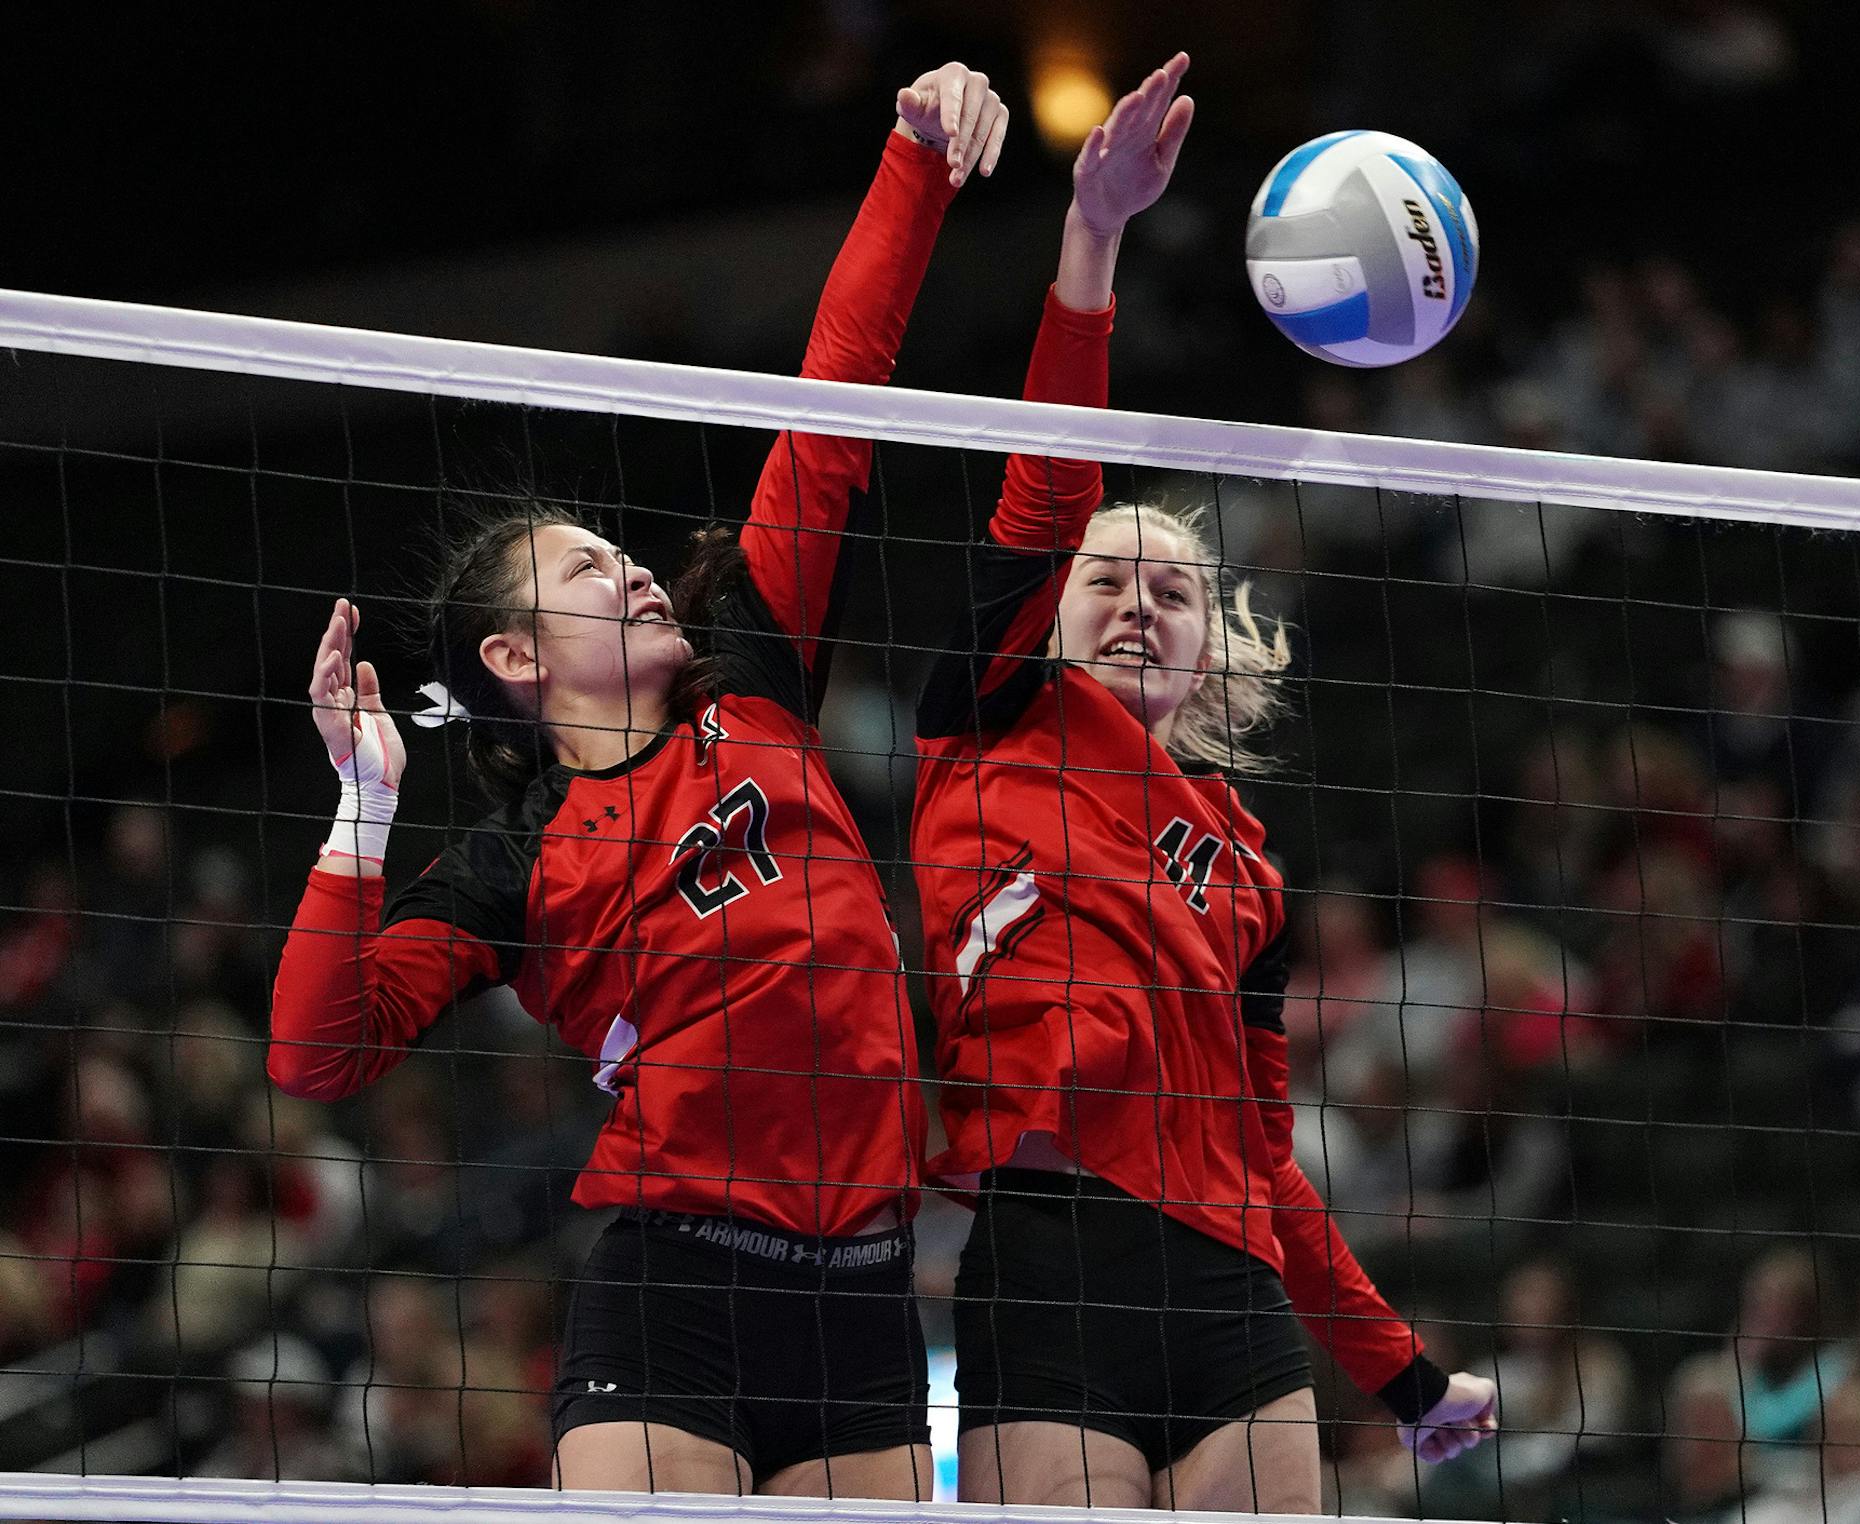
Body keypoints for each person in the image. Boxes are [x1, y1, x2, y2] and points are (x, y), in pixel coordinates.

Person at [268, 62, 1013, 1500]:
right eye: (585, 571)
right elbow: (316, 1056)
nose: (628, 568)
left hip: (864, 1290)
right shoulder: (515, 858)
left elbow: (836, 394)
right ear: (520, 658)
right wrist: (365, 808)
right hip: (677, 1290)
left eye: (618, 552)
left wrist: (914, 156)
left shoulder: (760, 672)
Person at [908, 53, 1497, 1511]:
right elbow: (1049, 479)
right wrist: (1091, 240)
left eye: (1171, 590)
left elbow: (1267, 1159)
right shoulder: (988, 722)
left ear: (1205, 646)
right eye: (1105, 579)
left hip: (1230, 1284)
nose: (1135, 604)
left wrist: (1404, 1377)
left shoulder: (1245, 861)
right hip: (1049, 1255)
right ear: (1049, 615)